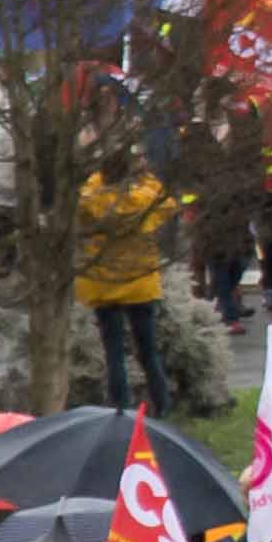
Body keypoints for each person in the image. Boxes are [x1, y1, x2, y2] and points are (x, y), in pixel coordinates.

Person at [75, 139, 173, 410]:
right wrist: (145, 175)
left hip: (103, 283)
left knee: (114, 352)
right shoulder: (145, 197)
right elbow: (166, 202)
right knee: (148, 350)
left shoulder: (91, 197)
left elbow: (84, 200)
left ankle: (120, 407)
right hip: (140, 282)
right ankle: (161, 404)